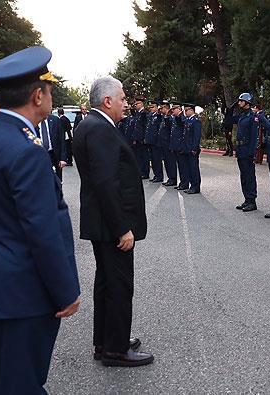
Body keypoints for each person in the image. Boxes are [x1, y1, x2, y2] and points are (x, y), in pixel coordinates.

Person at [0, 45, 81, 394]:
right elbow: (41, 231)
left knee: (5, 379)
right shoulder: (25, 149)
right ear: (36, 95)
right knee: (22, 383)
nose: (52, 95)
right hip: (25, 292)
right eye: (50, 89)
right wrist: (65, 291)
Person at [73, 76, 153, 367]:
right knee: (119, 285)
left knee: (107, 282)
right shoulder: (101, 129)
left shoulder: (92, 125)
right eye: (122, 99)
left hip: (102, 221)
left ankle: (105, 341)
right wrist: (122, 228)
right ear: (107, 101)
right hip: (112, 225)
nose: (125, 104)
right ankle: (116, 349)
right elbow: (106, 183)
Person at [232, 93, 258, 211]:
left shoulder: (252, 117)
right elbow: (230, 120)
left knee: (249, 176)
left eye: (241, 101)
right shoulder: (242, 115)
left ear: (247, 102)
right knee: (243, 176)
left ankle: (252, 201)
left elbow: (254, 137)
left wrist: (252, 153)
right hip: (241, 149)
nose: (239, 103)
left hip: (247, 150)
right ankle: (246, 199)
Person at [36, 112, 67, 181]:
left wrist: (63, 158)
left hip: (54, 154)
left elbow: (61, 139)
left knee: (57, 179)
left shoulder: (55, 120)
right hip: (40, 154)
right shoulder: (33, 120)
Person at [183, 103, 202, 194]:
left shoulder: (196, 121)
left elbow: (197, 136)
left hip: (192, 149)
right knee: (189, 168)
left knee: (194, 169)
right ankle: (192, 186)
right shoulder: (187, 120)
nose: (185, 112)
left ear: (191, 110)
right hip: (187, 148)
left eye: (186, 110)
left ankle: (196, 186)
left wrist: (194, 148)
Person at [129, 97, 150, 178]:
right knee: (139, 156)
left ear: (141, 104)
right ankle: (141, 171)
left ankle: (145, 173)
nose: (135, 105)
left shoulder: (144, 113)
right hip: (138, 138)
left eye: (136, 104)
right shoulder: (138, 113)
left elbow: (146, 126)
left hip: (142, 138)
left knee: (144, 156)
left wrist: (145, 137)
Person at [158, 101, 178, 187]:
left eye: (162, 108)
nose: (160, 110)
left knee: (170, 162)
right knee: (166, 162)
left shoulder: (171, 118)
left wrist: (168, 115)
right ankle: (170, 178)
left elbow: (169, 125)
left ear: (166, 108)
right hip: (163, 143)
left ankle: (173, 179)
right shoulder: (164, 117)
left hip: (168, 143)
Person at [146, 99, 164, 182]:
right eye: (150, 107)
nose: (151, 108)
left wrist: (160, 112)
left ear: (157, 108)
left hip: (156, 141)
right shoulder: (150, 115)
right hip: (150, 141)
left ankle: (159, 176)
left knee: (157, 159)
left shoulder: (159, 116)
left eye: (153, 107)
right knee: (153, 159)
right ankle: (156, 175)